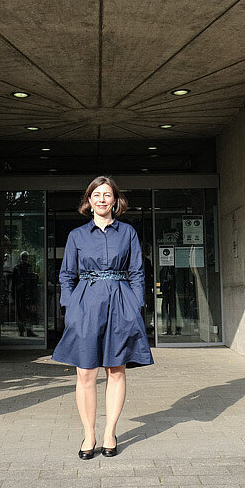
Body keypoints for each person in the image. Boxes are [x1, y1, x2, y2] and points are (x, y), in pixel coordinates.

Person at [52, 176, 153, 459]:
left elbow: (137, 272)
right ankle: (89, 434)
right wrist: (70, 306)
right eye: (96, 195)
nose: (102, 199)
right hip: (85, 305)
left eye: (107, 194)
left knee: (116, 369)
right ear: (89, 200)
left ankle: (110, 432)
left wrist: (135, 305)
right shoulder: (77, 236)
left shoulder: (128, 232)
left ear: (115, 200)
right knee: (85, 372)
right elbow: (67, 274)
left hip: (121, 303)